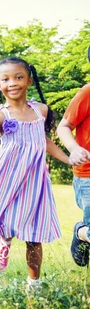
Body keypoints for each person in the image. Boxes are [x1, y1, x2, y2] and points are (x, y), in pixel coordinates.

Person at [0, 57, 71, 290]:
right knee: (7, 220)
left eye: (19, 77)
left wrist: (69, 159)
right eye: (6, 79)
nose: (13, 83)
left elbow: (44, 141)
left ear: (29, 80)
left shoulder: (41, 110)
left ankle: (34, 283)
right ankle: (4, 241)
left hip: (35, 180)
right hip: (7, 177)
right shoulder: (1, 116)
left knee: (34, 233)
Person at [57, 73, 90, 267]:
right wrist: (74, 148)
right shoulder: (87, 92)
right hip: (87, 174)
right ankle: (81, 232)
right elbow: (64, 126)